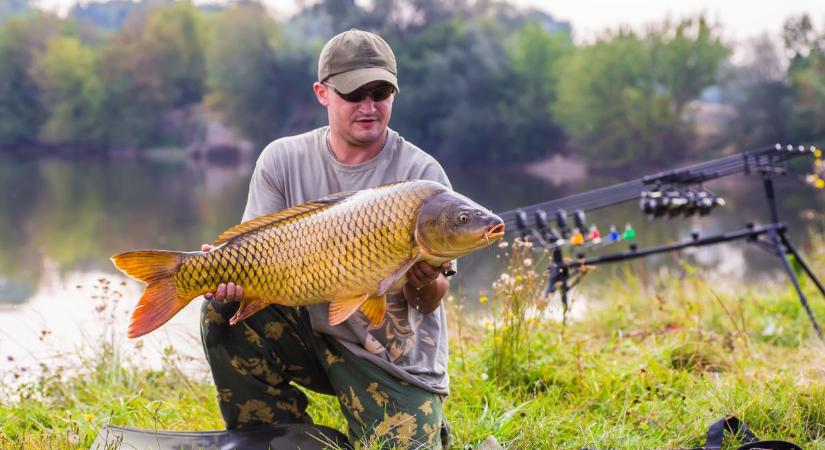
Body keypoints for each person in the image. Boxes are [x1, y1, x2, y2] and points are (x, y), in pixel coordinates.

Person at [199, 28, 455, 449]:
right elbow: (254, 257)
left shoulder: (423, 177)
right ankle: (274, 433)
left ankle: (422, 423)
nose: (369, 107)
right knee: (221, 309)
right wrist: (223, 269)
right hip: (310, 330)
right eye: (355, 94)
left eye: (381, 92)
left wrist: (425, 278)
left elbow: (430, 302)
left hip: (389, 357)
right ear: (323, 93)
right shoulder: (282, 159)